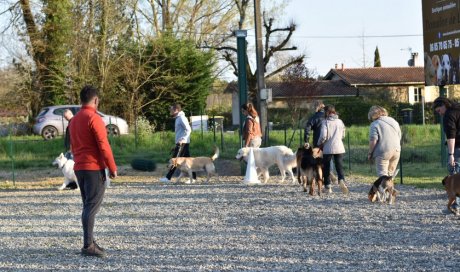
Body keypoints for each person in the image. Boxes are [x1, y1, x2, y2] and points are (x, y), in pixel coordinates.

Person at [69, 85, 117, 257]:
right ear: (95, 100)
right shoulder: (94, 118)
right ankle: (88, 245)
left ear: (81, 99)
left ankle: (89, 241)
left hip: (79, 168)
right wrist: (112, 167)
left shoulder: (74, 120)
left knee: (87, 205)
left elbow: (73, 146)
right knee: (91, 206)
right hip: (93, 168)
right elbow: (104, 145)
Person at [433, 97, 460, 212]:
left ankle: (455, 206)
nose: (440, 114)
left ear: (444, 105)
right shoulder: (458, 108)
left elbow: (451, 135)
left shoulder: (449, 115)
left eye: (439, 111)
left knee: (455, 175)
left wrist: (451, 154)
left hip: (458, 146)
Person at [160, 103, 196, 183]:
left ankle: (168, 178)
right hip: (181, 143)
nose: (170, 111)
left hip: (182, 143)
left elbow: (189, 129)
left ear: (176, 110)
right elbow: (181, 132)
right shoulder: (178, 118)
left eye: (171, 109)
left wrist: (183, 139)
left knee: (174, 160)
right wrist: (176, 144)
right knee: (188, 161)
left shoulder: (182, 118)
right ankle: (193, 178)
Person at [317, 105, 348, 194]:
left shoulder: (325, 122)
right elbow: (343, 135)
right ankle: (341, 180)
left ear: (326, 112)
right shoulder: (340, 121)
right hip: (339, 146)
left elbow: (323, 136)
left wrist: (319, 143)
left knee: (326, 167)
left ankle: (328, 187)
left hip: (328, 147)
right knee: (339, 165)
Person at [367, 106, 401, 178]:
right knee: (390, 175)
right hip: (397, 150)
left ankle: (383, 188)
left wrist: (370, 153)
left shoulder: (375, 124)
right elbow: (399, 136)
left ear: (372, 115)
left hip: (383, 152)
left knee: (383, 175)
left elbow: (373, 140)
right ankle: (390, 188)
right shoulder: (394, 121)